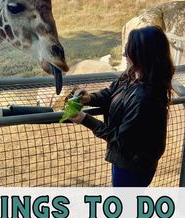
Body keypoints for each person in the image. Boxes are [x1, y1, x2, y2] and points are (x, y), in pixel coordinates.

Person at [70, 26, 175, 187]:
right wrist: (89, 98)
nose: (125, 54)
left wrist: (86, 119)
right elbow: (112, 91)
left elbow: (121, 139)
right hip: (125, 159)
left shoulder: (144, 98)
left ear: (142, 55)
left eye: (130, 50)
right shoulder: (133, 73)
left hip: (134, 165)